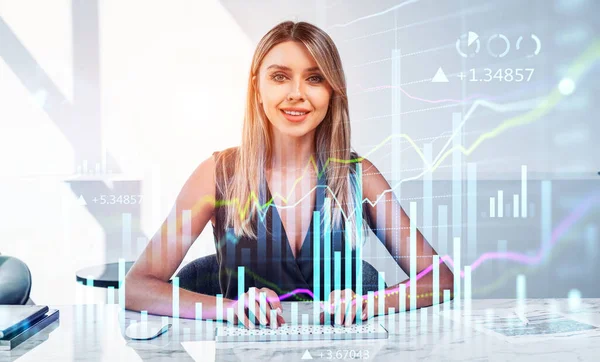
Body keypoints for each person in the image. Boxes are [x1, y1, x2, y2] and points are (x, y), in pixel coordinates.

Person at [125, 21, 454, 329]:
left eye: (314, 78)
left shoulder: (359, 175)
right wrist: (229, 308)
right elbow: (136, 287)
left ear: (332, 91)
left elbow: (440, 279)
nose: (297, 93)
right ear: (257, 88)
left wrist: (370, 302)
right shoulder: (217, 174)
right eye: (280, 76)